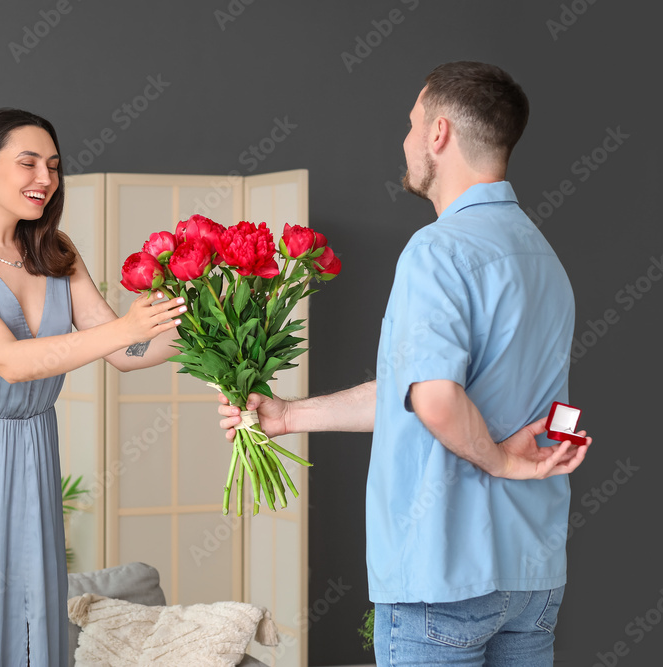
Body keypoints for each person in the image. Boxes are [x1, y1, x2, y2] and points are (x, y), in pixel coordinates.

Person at [218, 61, 592, 666]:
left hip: (442, 576)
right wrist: (287, 416)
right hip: (532, 575)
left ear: (439, 133)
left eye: (412, 123)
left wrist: (500, 461)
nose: (406, 139)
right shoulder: (541, 253)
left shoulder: (437, 250)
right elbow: (416, 390)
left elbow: (438, 399)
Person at [0, 108, 187, 666]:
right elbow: (9, 361)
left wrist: (216, 327)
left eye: (53, 166)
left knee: (35, 619)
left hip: (33, 449)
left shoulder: (57, 251)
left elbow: (126, 351)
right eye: (27, 163)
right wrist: (127, 327)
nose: (44, 179)